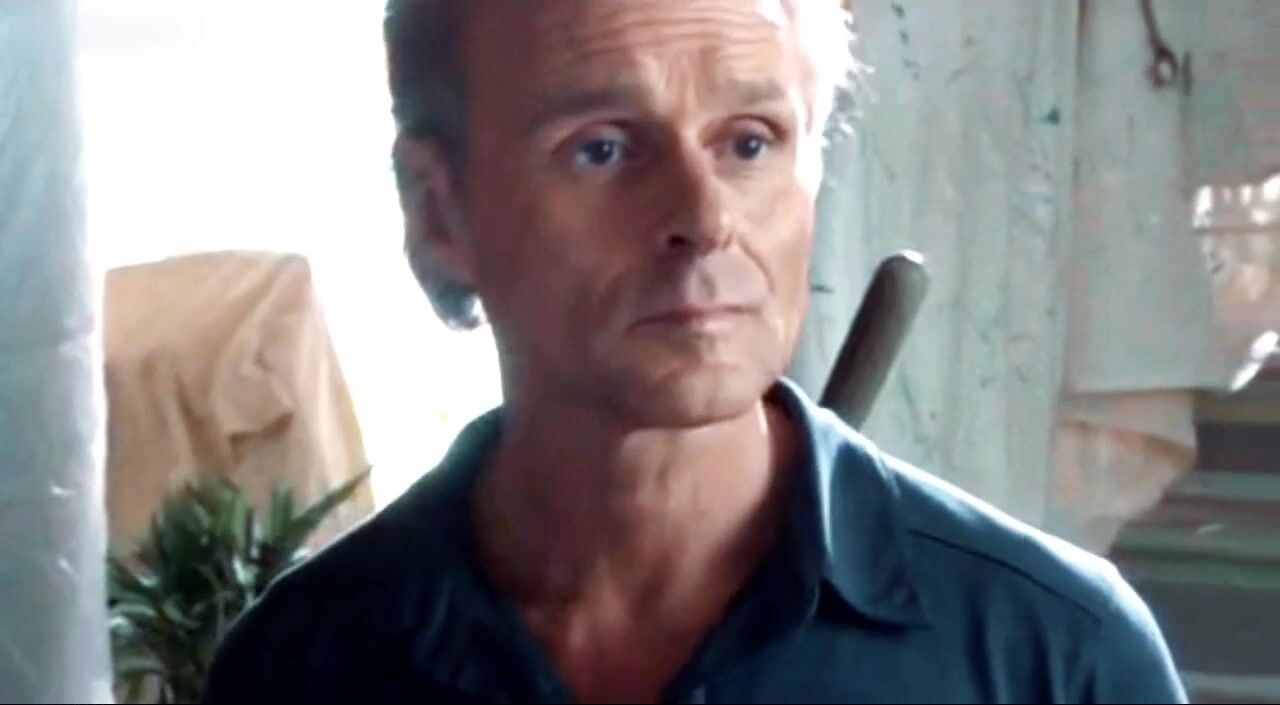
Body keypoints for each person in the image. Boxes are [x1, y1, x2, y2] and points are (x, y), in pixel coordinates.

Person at [204, 1, 1188, 702]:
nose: (705, 218)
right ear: (439, 213)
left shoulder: (1057, 657)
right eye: (602, 148)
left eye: (749, 143)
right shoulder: (299, 666)